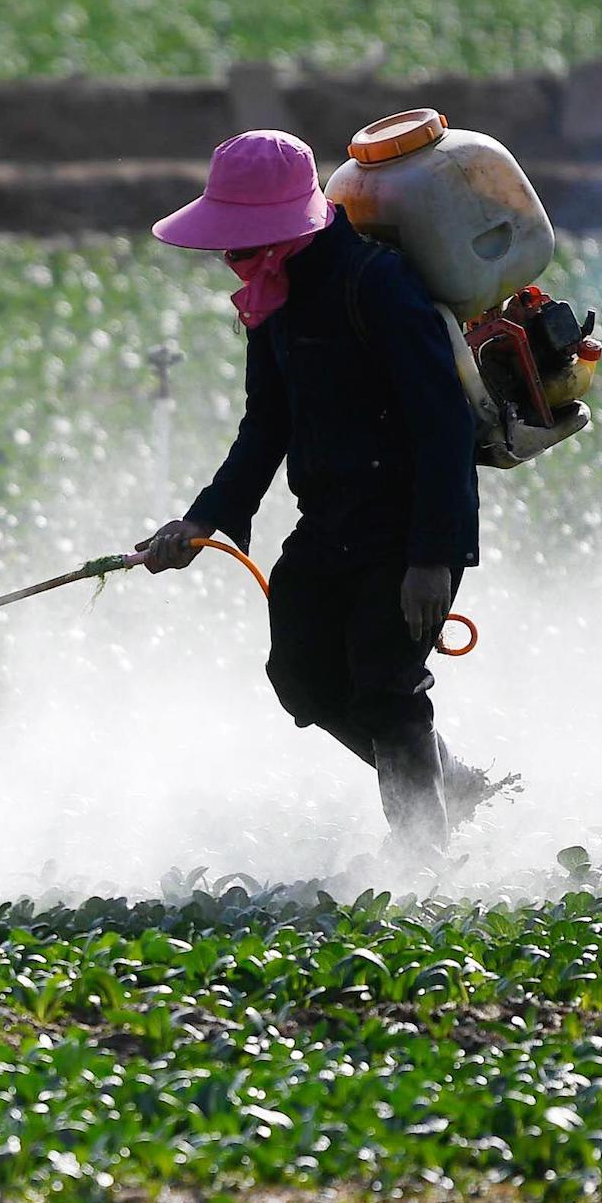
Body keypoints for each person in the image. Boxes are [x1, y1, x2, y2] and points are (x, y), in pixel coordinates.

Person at [141, 128, 506, 853]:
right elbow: (265, 425)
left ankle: (422, 855)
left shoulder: (379, 285)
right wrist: (204, 520)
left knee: (385, 682)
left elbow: (443, 425)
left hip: (407, 525)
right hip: (331, 517)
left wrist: (434, 555)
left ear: (285, 231)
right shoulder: (272, 297)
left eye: (240, 245)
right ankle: (447, 782)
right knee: (301, 672)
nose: (229, 258)